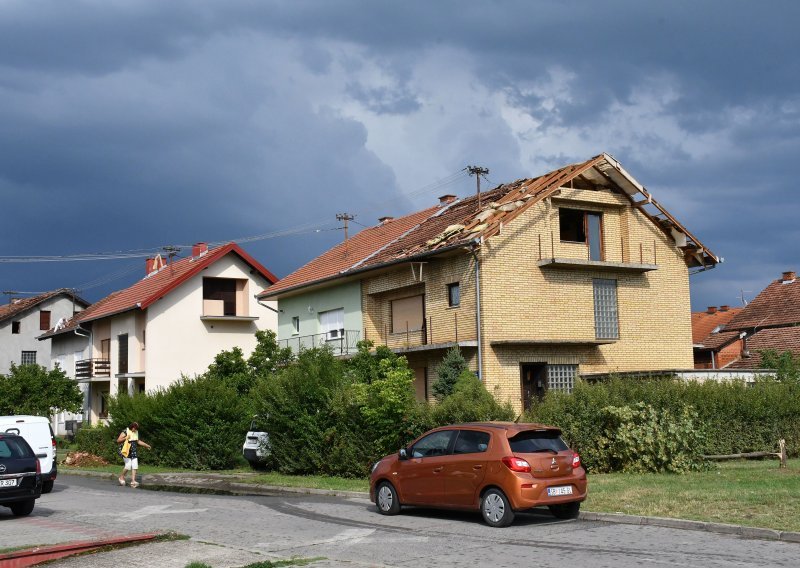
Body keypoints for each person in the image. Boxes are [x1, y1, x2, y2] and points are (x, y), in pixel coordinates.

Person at [116, 422, 151, 488]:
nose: (135, 430)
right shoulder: (125, 431)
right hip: (125, 451)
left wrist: (147, 445)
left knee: (135, 465)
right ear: (132, 427)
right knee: (128, 465)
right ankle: (121, 477)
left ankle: (133, 481)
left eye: (136, 429)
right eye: (135, 428)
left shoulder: (136, 432)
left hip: (133, 451)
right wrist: (126, 438)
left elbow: (138, 441)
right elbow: (118, 440)